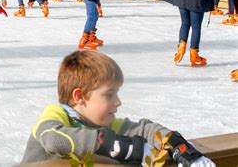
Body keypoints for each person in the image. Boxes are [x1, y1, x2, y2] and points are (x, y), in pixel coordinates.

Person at [21, 50, 216, 167]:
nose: (118, 102)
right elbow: (53, 140)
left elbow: (145, 129)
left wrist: (181, 149)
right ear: (79, 97)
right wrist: (117, 146)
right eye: (109, 94)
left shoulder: (107, 124)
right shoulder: (56, 116)